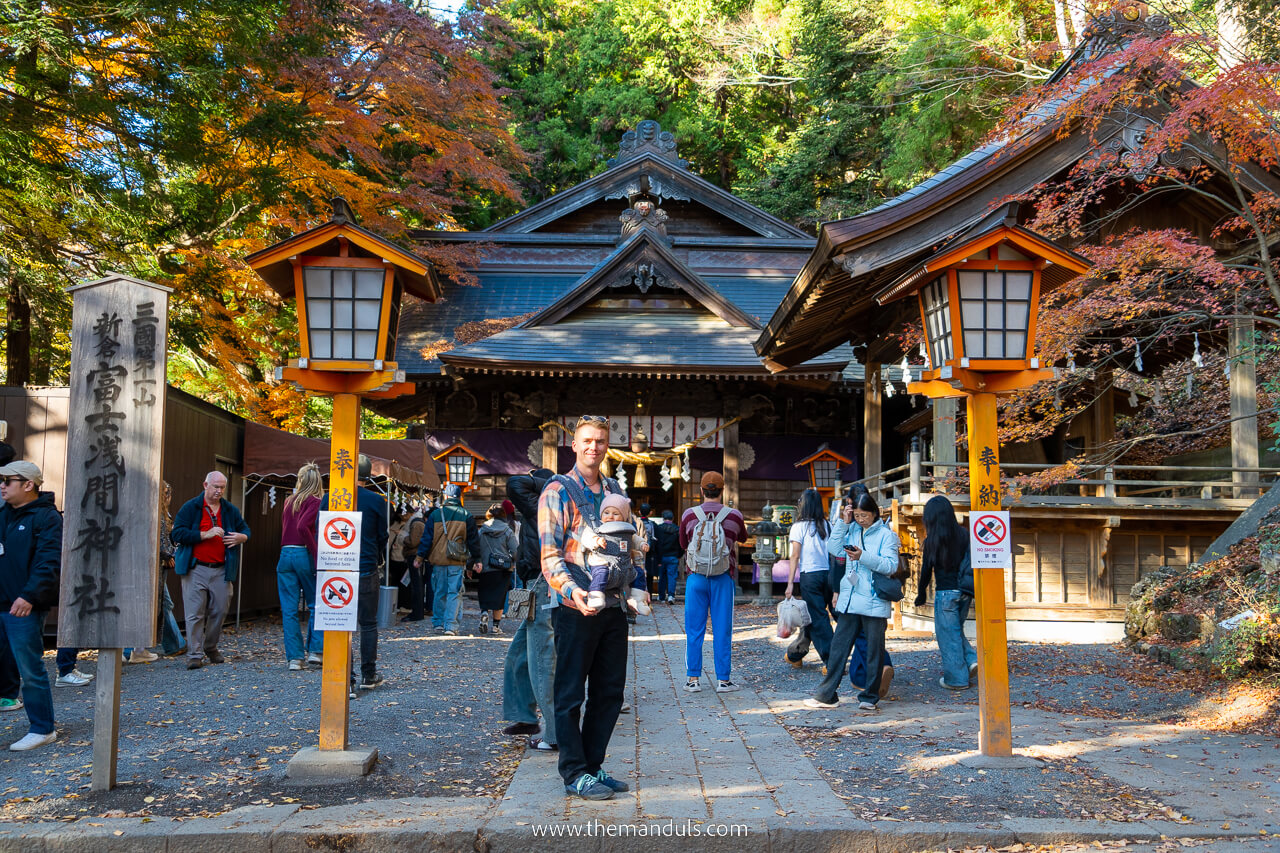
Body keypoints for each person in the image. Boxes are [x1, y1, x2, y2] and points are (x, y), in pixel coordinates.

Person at [538, 415, 648, 800]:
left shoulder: (616, 488)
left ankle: (593, 765)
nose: (593, 447)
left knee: (610, 692)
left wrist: (640, 584)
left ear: (606, 445)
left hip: (615, 604)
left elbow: (632, 542)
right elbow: (550, 556)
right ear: (574, 444)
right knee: (570, 693)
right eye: (587, 440)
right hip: (575, 604)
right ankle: (573, 772)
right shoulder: (557, 491)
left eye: (600, 441)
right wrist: (571, 592)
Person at [805, 490, 900, 711]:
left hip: (874, 599)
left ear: (875, 513)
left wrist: (862, 556)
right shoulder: (853, 529)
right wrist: (843, 522)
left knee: (874, 651)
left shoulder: (886, 535)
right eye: (856, 515)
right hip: (850, 598)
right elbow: (833, 549)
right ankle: (826, 695)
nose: (860, 519)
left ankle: (869, 697)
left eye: (864, 515)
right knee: (838, 648)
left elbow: (890, 566)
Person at [0, 461, 61, 750]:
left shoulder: (47, 518)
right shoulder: (3, 515)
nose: (2, 485)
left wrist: (29, 596)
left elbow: (49, 562)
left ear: (28, 485)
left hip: (23, 606)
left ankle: (42, 728)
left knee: (30, 667)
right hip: (2, 603)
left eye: (8, 480)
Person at [172, 471, 250, 670]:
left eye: (222, 487)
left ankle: (210, 646)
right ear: (205, 484)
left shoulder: (229, 509)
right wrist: (204, 534)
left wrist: (242, 537)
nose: (219, 491)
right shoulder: (191, 507)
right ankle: (195, 654)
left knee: (221, 609)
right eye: (216, 486)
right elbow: (177, 533)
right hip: (196, 568)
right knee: (194, 613)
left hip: (221, 569)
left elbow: (245, 529)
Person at [323, 455, 389, 690]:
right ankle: (368, 675)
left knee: (341, 625)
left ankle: (346, 680)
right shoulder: (376, 501)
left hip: (335, 570)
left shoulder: (330, 499)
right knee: (368, 623)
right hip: (366, 567)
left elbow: (321, 532)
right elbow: (384, 535)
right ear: (368, 476)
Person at [503, 467, 557, 751]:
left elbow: (515, 484)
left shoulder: (545, 504)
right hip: (533, 582)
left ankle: (555, 732)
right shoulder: (537, 508)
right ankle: (524, 715)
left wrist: (545, 480)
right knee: (520, 654)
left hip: (542, 581)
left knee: (542, 657)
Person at [678, 471, 746, 694]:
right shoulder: (734, 515)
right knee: (722, 629)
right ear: (722, 489)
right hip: (723, 578)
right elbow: (742, 538)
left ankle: (693, 679)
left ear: (701, 490)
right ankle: (723, 680)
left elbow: (683, 542)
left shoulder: (689, 515)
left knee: (694, 629)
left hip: (695, 578)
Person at [915, 494, 978, 690]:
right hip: (965, 593)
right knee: (955, 631)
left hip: (945, 595)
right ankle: (971, 660)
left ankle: (956, 680)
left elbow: (926, 571)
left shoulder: (932, 540)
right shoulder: (965, 534)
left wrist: (921, 593)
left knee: (947, 636)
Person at [416, 484, 481, 636]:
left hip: (437, 560)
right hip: (457, 560)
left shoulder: (435, 515)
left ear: (445, 497)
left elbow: (427, 539)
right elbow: (473, 540)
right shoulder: (466, 515)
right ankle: (451, 626)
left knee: (439, 591)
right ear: (458, 497)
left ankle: (438, 622)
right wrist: (477, 559)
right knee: (454, 592)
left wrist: (420, 557)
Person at [277, 463, 324, 671]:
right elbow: (303, 526)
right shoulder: (314, 501)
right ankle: (315, 651)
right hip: (303, 553)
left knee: (289, 609)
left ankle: (294, 658)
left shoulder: (289, 501)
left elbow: (289, 527)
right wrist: (315, 553)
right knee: (316, 603)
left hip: (285, 554)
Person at [783, 488, 834, 669]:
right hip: (828, 575)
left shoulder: (799, 527)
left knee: (818, 619)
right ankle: (795, 654)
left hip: (810, 577)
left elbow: (795, 556)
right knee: (811, 617)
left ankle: (832, 661)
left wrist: (790, 583)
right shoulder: (827, 525)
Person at [583, 494, 639, 612]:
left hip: (622, 563)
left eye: (615, 513)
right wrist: (596, 540)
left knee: (637, 573)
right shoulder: (597, 526)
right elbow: (586, 536)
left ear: (623, 516)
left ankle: (639, 597)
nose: (610, 516)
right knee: (600, 573)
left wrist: (642, 544)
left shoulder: (626, 529)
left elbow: (635, 539)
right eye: (606, 513)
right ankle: (596, 595)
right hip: (602, 560)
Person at [476, 503, 518, 634]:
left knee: (485, 593)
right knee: (499, 596)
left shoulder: (482, 530)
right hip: (503, 568)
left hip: (485, 568)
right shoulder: (507, 530)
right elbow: (515, 550)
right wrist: (512, 559)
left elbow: (476, 548)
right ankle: (495, 626)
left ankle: (484, 613)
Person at [399, 502, 429, 622]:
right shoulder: (417, 522)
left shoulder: (416, 523)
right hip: (416, 555)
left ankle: (417, 612)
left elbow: (413, 542)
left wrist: (402, 538)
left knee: (416, 585)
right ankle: (417, 611)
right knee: (417, 584)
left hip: (415, 556)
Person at [653, 509, 681, 604]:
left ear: (663, 518)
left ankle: (661, 597)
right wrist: (679, 555)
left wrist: (657, 556)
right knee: (672, 576)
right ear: (672, 518)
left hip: (662, 556)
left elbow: (656, 543)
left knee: (662, 577)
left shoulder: (659, 528)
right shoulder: (677, 529)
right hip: (673, 556)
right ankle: (671, 595)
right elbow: (680, 544)